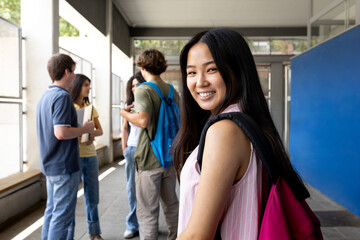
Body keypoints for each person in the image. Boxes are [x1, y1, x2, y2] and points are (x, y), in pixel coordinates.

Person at [172, 28, 310, 240]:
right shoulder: (246, 122)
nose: (199, 82)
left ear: (237, 70)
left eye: (212, 69)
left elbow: (197, 236)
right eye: (191, 72)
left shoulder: (224, 131)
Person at [120, 49, 179, 240]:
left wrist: (125, 114)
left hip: (149, 159)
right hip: (169, 158)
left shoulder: (144, 89)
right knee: (172, 206)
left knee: (147, 211)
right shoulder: (171, 90)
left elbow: (143, 121)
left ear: (141, 66)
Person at [36, 53, 95, 240]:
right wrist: (84, 128)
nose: (74, 78)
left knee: (52, 213)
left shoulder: (45, 96)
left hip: (51, 165)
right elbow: (61, 132)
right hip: (64, 167)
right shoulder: (62, 97)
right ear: (67, 71)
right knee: (61, 218)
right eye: (74, 73)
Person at [67, 74, 104, 240]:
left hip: (90, 156)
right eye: (86, 85)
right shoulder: (69, 107)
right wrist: (82, 132)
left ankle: (94, 233)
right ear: (77, 86)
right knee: (71, 199)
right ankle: (69, 235)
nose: (89, 88)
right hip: (74, 156)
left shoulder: (90, 107)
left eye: (89, 85)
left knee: (92, 196)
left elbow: (100, 130)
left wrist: (90, 133)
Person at [121, 71, 145, 239]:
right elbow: (124, 128)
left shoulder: (149, 102)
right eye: (133, 86)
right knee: (132, 188)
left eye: (138, 85)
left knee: (147, 190)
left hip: (146, 151)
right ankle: (132, 224)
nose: (135, 88)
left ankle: (146, 224)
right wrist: (124, 148)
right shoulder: (129, 104)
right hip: (131, 149)